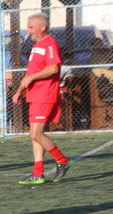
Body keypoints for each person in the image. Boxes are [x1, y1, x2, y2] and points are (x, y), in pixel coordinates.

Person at [12, 13, 70, 184]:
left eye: (31, 27)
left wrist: (31, 78)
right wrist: (19, 91)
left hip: (45, 95)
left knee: (35, 133)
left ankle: (62, 160)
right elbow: (30, 74)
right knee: (35, 135)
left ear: (42, 27)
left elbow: (53, 68)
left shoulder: (50, 43)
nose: (28, 31)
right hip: (35, 95)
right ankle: (38, 173)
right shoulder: (37, 46)